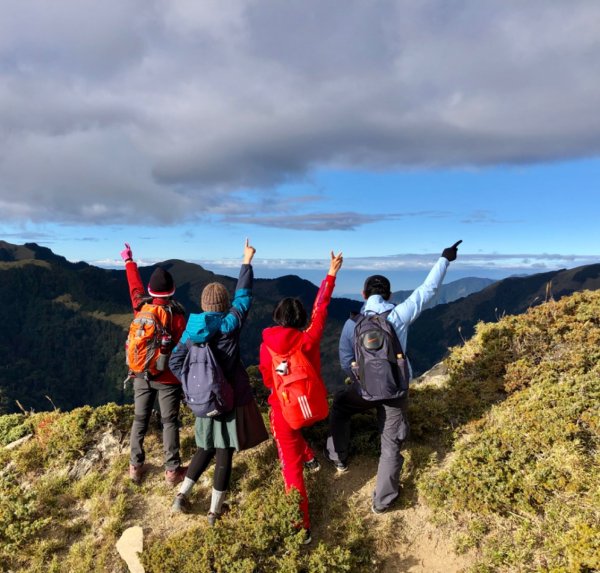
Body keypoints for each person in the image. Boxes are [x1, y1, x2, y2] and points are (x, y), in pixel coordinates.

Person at [324, 240, 462, 514]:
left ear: (363, 294)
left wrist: (357, 377)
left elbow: (343, 359)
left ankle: (338, 458)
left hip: (363, 390)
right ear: (387, 294)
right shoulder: (399, 314)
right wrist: (445, 258)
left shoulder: (353, 323)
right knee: (390, 443)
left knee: (340, 406)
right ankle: (382, 501)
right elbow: (428, 290)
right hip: (396, 390)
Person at [169, 239, 268, 525]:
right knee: (224, 452)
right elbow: (243, 298)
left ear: (203, 305)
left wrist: (191, 383)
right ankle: (214, 511)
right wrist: (246, 260)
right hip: (227, 399)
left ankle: (181, 496)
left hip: (200, 400)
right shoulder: (229, 326)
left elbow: (174, 362)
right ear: (223, 306)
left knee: (205, 448)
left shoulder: (190, 333)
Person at [259, 251, 344, 544]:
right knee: (299, 438)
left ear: (277, 318)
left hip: (285, 411)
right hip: (315, 405)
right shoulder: (310, 338)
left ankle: (301, 527)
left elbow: (269, 381)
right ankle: (310, 457)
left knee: (290, 470)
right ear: (300, 319)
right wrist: (331, 273)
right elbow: (322, 307)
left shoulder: (266, 347)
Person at [121, 243, 188, 485]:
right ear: (172, 291)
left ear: (151, 290)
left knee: (140, 419)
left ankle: (135, 467)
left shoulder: (141, 307)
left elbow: (134, 288)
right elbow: (183, 348)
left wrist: (129, 261)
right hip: (168, 378)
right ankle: (172, 471)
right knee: (169, 422)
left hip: (140, 373)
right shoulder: (177, 316)